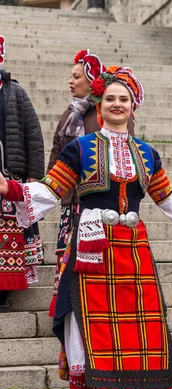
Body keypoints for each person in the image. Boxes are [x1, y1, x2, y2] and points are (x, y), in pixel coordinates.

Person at [0, 65, 172, 389]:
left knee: (150, 332)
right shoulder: (80, 148)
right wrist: (9, 188)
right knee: (85, 332)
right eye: (110, 99)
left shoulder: (146, 153)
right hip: (91, 248)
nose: (117, 104)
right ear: (99, 105)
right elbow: (51, 189)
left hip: (134, 249)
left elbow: (169, 199)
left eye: (124, 99)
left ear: (133, 106)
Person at [47, 49, 106, 315]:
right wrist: (47, 189)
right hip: (70, 202)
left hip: (96, 203)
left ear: (91, 80)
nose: (71, 81)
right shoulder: (68, 115)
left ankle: (94, 308)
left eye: (76, 77)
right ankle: (67, 310)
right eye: (70, 76)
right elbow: (56, 156)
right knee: (67, 256)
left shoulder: (106, 115)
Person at [0, 34, 44, 312]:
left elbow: (34, 134)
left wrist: (33, 175)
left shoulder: (15, 92)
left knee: (6, 238)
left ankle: (4, 290)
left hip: (9, 177)